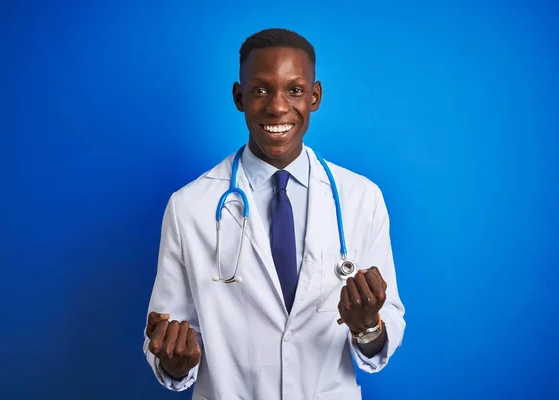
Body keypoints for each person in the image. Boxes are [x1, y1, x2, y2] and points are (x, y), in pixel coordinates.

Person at [143, 28, 406, 399]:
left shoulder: (360, 198)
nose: (278, 107)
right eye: (261, 89)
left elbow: (386, 327)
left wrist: (367, 328)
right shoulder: (190, 206)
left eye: (295, 90)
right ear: (239, 97)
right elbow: (166, 334)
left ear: (315, 97)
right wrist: (174, 362)